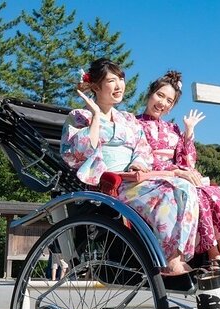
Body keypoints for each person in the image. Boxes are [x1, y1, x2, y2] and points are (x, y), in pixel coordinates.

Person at [61, 58, 199, 275]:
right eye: (111, 81)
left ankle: (176, 256)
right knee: (167, 193)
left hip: (132, 178)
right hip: (108, 182)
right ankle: (166, 259)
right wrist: (96, 117)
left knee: (185, 188)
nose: (119, 86)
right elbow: (77, 154)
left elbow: (142, 148)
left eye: (121, 79)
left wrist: (137, 164)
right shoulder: (80, 116)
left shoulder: (127, 119)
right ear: (96, 86)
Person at [137, 70, 220, 270]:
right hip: (155, 175)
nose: (163, 103)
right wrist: (175, 172)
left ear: (172, 106)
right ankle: (212, 254)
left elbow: (187, 161)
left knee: (218, 194)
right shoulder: (134, 123)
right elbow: (142, 157)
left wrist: (189, 132)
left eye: (169, 100)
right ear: (150, 93)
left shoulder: (173, 129)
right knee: (194, 194)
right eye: (160, 95)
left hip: (178, 173)